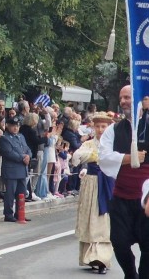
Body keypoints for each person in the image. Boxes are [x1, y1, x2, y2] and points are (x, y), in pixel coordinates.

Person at [99, 85, 149, 279]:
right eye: (121, 98)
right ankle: (130, 274)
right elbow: (103, 157)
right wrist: (129, 158)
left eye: (127, 97)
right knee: (118, 242)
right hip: (122, 198)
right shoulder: (114, 129)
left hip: (146, 200)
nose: (123, 102)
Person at [72, 111, 115, 274]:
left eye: (103, 126)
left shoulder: (114, 144)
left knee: (103, 221)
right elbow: (76, 157)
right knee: (90, 218)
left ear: (108, 127)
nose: (100, 129)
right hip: (91, 184)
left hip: (108, 183)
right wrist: (92, 156)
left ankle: (102, 258)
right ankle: (90, 256)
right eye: (97, 126)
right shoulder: (89, 144)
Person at [0, 116, 32, 222]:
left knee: (21, 193)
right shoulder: (5, 138)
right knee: (10, 193)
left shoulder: (21, 136)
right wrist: (23, 158)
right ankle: (8, 214)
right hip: (11, 170)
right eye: (13, 126)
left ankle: (20, 213)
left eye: (17, 126)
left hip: (22, 169)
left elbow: (27, 149)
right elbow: (8, 153)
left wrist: (28, 156)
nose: (15, 128)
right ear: (8, 126)